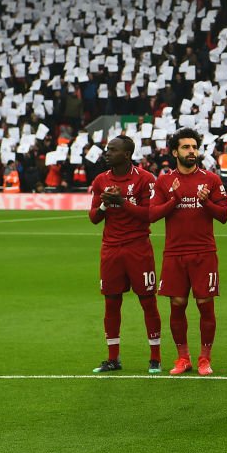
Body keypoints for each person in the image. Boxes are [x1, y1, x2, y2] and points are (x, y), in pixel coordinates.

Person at [150, 128, 227, 376]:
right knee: (177, 304)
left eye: (194, 147)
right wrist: (173, 198)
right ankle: (182, 358)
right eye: (186, 147)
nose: (191, 151)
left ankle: (205, 358)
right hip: (174, 253)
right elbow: (152, 215)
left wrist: (206, 201)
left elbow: (224, 216)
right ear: (175, 152)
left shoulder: (211, 180)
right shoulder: (163, 182)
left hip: (204, 252)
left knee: (205, 305)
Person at [88, 135, 162, 373]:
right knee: (111, 302)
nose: (107, 153)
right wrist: (103, 205)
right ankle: (113, 358)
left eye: (112, 150)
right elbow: (93, 218)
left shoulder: (145, 179)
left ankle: (155, 357)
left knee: (147, 301)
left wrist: (121, 202)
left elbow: (149, 214)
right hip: (111, 249)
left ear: (127, 155)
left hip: (138, 247)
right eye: (107, 149)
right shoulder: (101, 180)